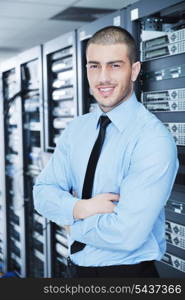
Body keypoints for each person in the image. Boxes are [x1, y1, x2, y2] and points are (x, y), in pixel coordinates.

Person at [33, 26, 179, 278]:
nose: (103, 78)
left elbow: (126, 234)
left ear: (134, 70)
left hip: (128, 275)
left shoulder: (152, 139)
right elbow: (42, 194)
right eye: (94, 66)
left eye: (114, 65)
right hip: (75, 270)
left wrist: (69, 219)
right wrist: (82, 207)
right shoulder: (77, 129)